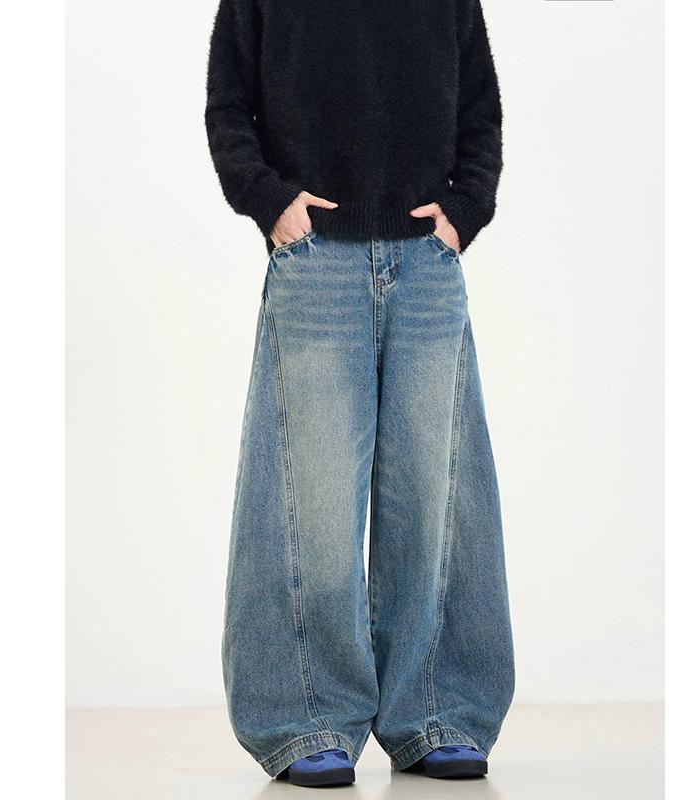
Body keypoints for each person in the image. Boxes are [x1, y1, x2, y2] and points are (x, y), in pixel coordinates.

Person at [206, 0, 514, 787]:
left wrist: (465, 209)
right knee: (307, 503)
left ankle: (438, 710)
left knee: (436, 494)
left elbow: (481, 107)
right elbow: (228, 101)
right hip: (316, 262)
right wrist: (268, 200)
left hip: (428, 264)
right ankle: (305, 717)